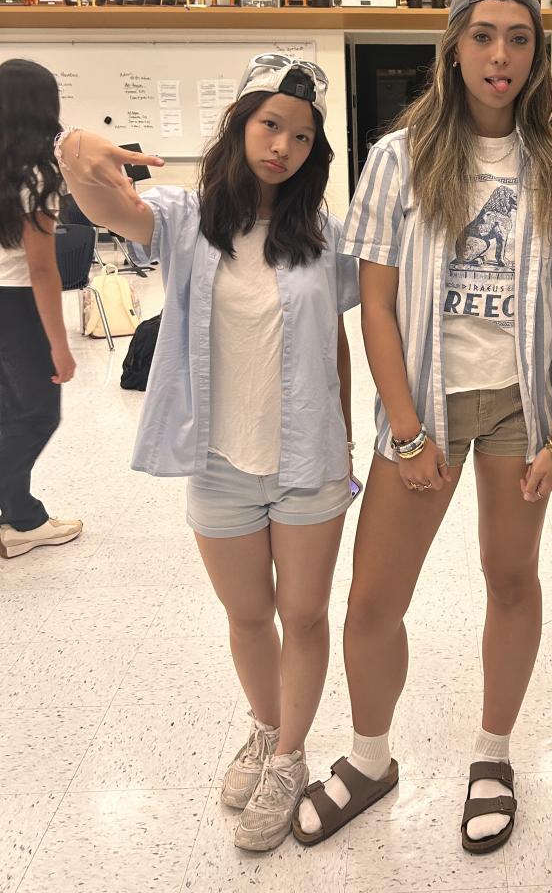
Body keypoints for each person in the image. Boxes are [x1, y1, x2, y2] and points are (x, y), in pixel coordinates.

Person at [294, 0, 552, 853]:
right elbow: (376, 307)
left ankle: (494, 755)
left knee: (511, 579)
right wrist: (406, 430)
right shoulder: (399, 159)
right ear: (455, 49)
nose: (501, 55)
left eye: (519, 39)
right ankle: (369, 759)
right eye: (484, 36)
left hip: (517, 411)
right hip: (423, 406)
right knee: (372, 602)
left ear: (536, 55)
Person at [55, 55, 359, 853]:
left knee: (303, 615)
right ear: (240, 124)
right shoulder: (186, 218)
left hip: (309, 461)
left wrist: (348, 434)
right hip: (220, 463)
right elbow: (102, 203)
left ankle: (289, 757)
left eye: (302, 136)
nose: (283, 146)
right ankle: (265, 726)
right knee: (249, 616)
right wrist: (75, 148)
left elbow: (336, 338)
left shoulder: (324, 237)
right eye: (271, 125)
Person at [0, 58, 81, 559]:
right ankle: (23, 520)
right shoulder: (35, 172)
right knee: (37, 414)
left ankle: (16, 514)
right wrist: (60, 346)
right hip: (16, 301)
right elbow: (42, 269)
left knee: (8, 410)